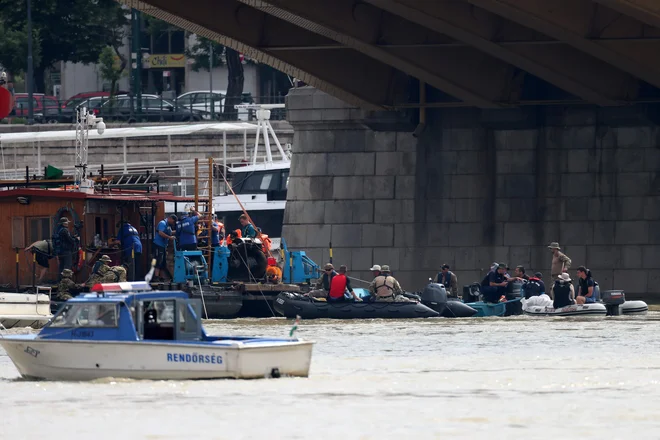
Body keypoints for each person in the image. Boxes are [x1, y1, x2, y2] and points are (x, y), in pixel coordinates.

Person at [153, 214, 177, 281]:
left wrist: (179, 230)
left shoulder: (168, 226)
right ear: (170, 219)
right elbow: (161, 233)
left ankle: (162, 277)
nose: (173, 223)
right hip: (158, 244)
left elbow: (170, 232)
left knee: (163, 262)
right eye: (173, 221)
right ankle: (156, 277)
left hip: (163, 246)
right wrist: (169, 237)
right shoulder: (162, 223)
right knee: (158, 260)